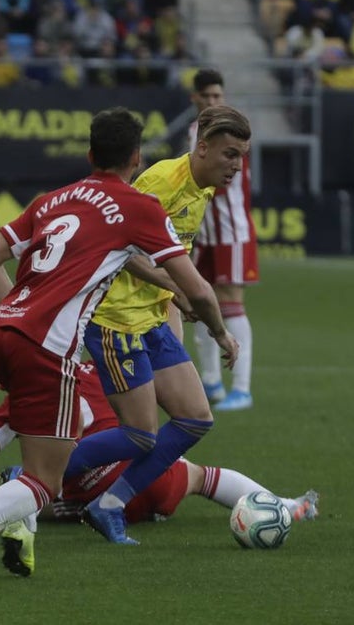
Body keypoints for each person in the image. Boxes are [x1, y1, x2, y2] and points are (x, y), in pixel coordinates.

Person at [0, 107, 238, 585]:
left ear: (89, 154)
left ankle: (19, 532)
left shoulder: (53, 199)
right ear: (137, 158)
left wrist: (18, 312)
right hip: (47, 348)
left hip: (3, 331)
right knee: (46, 480)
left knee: (41, 461)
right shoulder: (139, 205)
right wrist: (220, 332)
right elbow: (202, 291)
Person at [69, 104, 253, 545]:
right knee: (141, 436)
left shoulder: (202, 188)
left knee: (195, 419)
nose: (236, 166)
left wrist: (171, 294)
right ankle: (33, 473)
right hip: (115, 319)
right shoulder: (159, 184)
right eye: (229, 154)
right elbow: (119, 249)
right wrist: (206, 317)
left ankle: (108, 504)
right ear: (202, 148)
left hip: (150, 317)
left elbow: (168, 254)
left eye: (242, 157)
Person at [0, 364, 318, 530]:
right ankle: (285, 505)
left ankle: (59, 505)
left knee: (33, 485)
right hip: (153, 475)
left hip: (94, 491)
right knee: (200, 476)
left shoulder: (17, 402)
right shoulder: (96, 367)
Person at [188, 69, 259, 411]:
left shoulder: (232, 131)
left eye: (218, 95)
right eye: (207, 96)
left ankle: (242, 389)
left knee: (231, 304)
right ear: (195, 99)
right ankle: (212, 382)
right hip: (203, 233)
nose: (213, 101)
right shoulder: (195, 132)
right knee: (200, 304)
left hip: (231, 232)